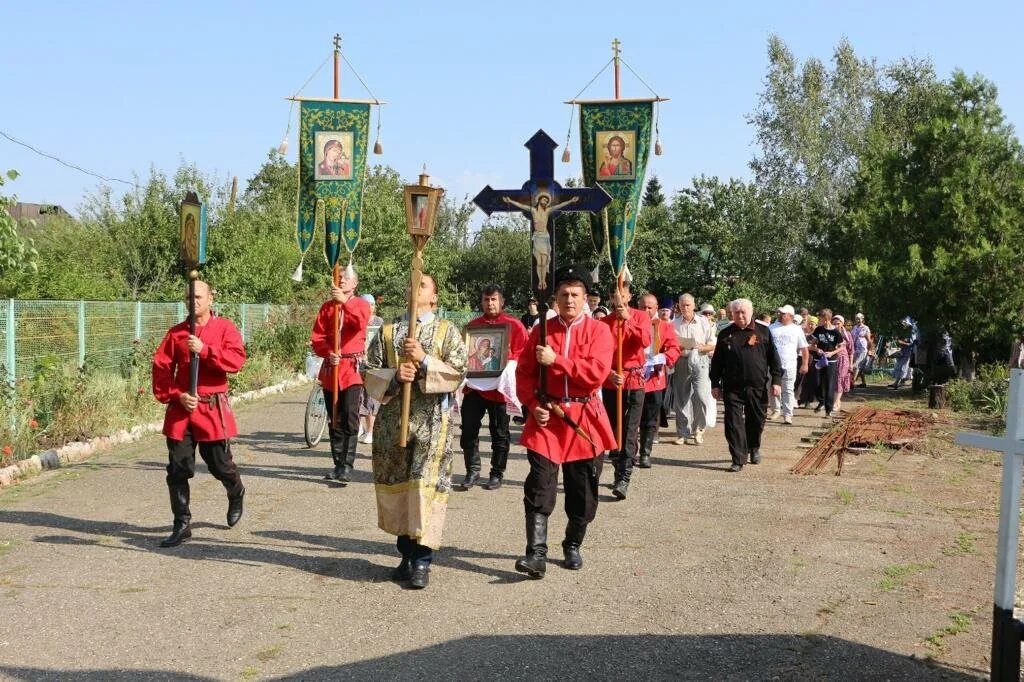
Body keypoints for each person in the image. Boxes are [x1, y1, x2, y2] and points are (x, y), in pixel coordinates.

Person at [365, 273, 467, 589]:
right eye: (412, 282)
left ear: (433, 297)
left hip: (432, 425)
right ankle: (406, 555)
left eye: (423, 284)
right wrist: (396, 376)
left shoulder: (448, 332)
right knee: (399, 489)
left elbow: (460, 373)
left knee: (425, 488)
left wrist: (424, 362)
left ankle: (422, 561)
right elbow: (368, 371)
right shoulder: (386, 332)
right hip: (393, 424)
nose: (414, 287)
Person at [515, 265, 617, 577]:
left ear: (586, 298)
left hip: (584, 420)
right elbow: (524, 374)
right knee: (540, 485)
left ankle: (572, 543)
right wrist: (532, 405)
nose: (569, 300)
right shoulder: (541, 332)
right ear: (554, 299)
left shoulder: (599, 331)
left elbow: (596, 372)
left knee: (583, 493)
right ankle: (536, 554)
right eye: (563, 294)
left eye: (575, 294)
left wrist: (557, 360)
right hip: (548, 420)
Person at [152, 280, 247, 548]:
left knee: (219, 464)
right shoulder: (176, 334)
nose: (193, 301)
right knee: (178, 469)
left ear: (210, 299)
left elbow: (236, 361)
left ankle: (235, 489)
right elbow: (160, 369)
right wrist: (177, 394)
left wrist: (205, 350)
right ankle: (182, 524)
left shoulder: (225, 328)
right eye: (189, 297)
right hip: (182, 411)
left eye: (198, 296)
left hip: (211, 408)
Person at [459, 285, 528, 491]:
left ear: (502, 302)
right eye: (486, 300)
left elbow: (523, 355)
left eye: (494, 300)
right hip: (475, 389)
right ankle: (472, 471)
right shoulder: (473, 327)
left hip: (499, 390)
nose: (490, 303)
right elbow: (466, 355)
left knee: (500, 433)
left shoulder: (513, 326)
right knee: (468, 430)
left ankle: (496, 473)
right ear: (482, 302)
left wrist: (508, 360)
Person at [310, 270, 372, 483]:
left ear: (355, 282)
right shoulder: (327, 307)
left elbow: (359, 324)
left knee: (349, 416)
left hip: (351, 370)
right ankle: (337, 464)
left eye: (346, 276)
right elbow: (317, 337)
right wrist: (328, 351)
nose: (342, 279)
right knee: (334, 417)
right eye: (339, 276)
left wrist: (345, 302)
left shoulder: (361, 305)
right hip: (331, 369)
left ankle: (347, 465)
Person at [710, 298, 782, 472]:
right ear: (731, 314)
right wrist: (715, 384)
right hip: (732, 387)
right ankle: (738, 458)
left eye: (743, 312)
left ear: (751, 313)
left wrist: (777, 381)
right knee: (733, 423)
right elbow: (717, 362)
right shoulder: (725, 334)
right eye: (736, 312)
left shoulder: (763, 332)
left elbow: (774, 359)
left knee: (756, 420)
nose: (740, 316)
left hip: (757, 386)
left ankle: (753, 447)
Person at [599, 281, 652, 499]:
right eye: (614, 295)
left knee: (630, 430)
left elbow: (645, 341)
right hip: (612, 381)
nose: (619, 298)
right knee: (613, 429)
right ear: (611, 298)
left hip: (634, 381)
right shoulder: (604, 323)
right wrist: (608, 373)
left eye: (622, 293)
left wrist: (628, 321)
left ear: (629, 295)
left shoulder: (641, 317)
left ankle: (624, 477)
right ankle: (617, 465)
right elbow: (599, 354)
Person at [503, 191, 579, 291]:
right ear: (539, 200)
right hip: (537, 238)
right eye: (544, 199)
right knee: (539, 263)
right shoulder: (533, 210)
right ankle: (540, 281)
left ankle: (544, 281)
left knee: (544, 262)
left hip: (545, 237)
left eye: (547, 201)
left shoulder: (547, 210)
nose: (546, 202)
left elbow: (559, 205)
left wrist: (570, 200)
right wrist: (510, 201)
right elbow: (521, 206)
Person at [638, 293, 681, 468]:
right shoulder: (630, 324)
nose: (646, 310)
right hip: (633, 378)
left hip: (654, 380)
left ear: (656, 308)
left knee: (650, 418)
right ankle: (629, 451)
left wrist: (662, 358)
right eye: (643, 307)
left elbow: (674, 348)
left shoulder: (664, 327)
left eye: (650, 307)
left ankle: (645, 453)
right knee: (633, 419)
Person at [671, 294, 715, 446]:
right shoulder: (674, 323)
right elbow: (670, 344)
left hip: (700, 361)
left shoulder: (703, 322)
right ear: (679, 306)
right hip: (682, 361)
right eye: (682, 305)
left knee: (701, 396)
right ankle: (683, 432)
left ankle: (699, 430)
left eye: (688, 305)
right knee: (682, 398)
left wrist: (701, 347)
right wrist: (679, 346)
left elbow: (712, 343)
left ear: (694, 305)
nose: (685, 308)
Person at [768, 305, 809, 425]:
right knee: (772, 388)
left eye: (783, 313)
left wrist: (805, 364)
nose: (780, 315)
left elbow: (804, 348)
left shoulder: (796, 329)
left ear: (790, 316)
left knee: (788, 389)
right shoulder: (771, 328)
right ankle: (775, 410)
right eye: (779, 313)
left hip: (790, 363)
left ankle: (787, 414)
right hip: (773, 365)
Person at [358, 294, 384, 445]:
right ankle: (359, 426)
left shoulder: (379, 322)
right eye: (367, 305)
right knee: (357, 396)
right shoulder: (357, 321)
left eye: (372, 305)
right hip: (358, 361)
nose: (370, 308)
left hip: (373, 363)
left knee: (371, 398)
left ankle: (370, 431)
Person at [810, 309, 846, 417]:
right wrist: (817, 350)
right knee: (816, 382)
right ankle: (821, 401)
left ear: (826, 319)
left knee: (829, 384)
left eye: (820, 318)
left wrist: (832, 353)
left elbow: (841, 347)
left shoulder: (836, 332)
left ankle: (828, 409)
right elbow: (812, 345)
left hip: (831, 360)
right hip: (819, 360)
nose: (818, 320)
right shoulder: (818, 330)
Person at [832, 315, 854, 413]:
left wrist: (851, 363)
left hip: (843, 359)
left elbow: (851, 350)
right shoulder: (830, 334)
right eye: (834, 323)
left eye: (838, 323)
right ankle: (836, 401)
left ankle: (836, 402)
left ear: (842, 323)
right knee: (833, 380)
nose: (836, 325)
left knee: (839, 380)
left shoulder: (847, 334)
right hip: (832, 359)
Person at [889, 317, 918, 389]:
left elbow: (912, 343)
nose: (903, 324)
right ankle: (897, 382)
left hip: (908, 352)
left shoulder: (911, 332)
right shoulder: (904, 331)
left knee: (903, 367)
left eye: (904, 323)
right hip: (902, 351)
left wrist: (902, 342)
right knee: (898, 366)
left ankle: (896, 383)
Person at [850, 312, 874, 389]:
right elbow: (852, 338)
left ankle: (852, 383)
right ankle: (863, 383)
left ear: (862, 319)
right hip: (855, 349)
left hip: (863, 350)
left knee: (856, 366)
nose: (857, 320)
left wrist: (870, 350)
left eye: (859, 318)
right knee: (860, 367)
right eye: (856, 318)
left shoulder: (865, 328)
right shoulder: (854, 328)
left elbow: (869, 340)